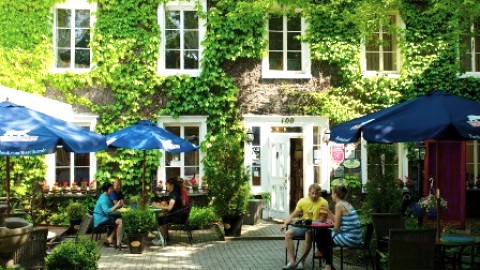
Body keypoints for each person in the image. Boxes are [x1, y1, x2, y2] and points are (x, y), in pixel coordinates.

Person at [280, 183, 329, 270]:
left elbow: (324, 220)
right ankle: (292, 261)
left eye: (316, 194)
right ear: (309, 193)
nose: (314, 196)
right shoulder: (302, 201)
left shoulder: (324, 202)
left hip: (316, 229)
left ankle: (301, 262)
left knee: (308, 233)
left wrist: (315, 221)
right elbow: (293, 215)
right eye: (312, 193)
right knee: (288, 234)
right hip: (304, 226)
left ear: (319, 194)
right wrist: (285, 224)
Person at [316, 184, 362, 270]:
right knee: (324, 232)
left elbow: (336, 227)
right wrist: (328, 211)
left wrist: (329, 228)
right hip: (355, 237)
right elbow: (337, 221)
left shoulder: (339, 205)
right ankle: (322, 255)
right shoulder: (345, 203)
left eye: (332, 193)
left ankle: (324, 259)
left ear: (336, 194)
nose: (331, 195)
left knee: (322, 233)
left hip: (350, 238)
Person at [93, 182, 124, 249]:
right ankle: (118, 243)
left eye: (112, 189)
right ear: (106, 190)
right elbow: (107, 211)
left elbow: (110, 208)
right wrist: (116, 206)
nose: (112, 190)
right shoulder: (103, 199)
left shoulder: (106, 196)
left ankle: (110, 239)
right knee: (120, 221)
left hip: (103, 217)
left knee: (119, 220)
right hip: (100, 219)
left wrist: (118, 206)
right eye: (110, 189)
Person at [157, 177, 186, 241]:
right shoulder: (174, 193)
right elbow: (171, 206)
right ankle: (166, 237)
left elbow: (170, 207)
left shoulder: (173, 195)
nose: (166, 186)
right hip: (178, 215)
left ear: (172, 185)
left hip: (177, 217)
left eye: (167, 184)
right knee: (162, 216)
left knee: (160, 219)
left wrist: (158, 207)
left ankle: (163, 239)